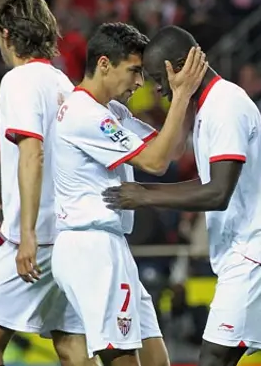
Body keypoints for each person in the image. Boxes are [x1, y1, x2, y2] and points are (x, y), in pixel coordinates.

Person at [102, 25, 261, 366]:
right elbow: (209, 181)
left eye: (160, 77)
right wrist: (146, 190)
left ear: (183, 64)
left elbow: (217, 193)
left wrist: (145, 197)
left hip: (255, 255)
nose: (158, 88)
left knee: (213, 358)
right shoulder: (212, 106)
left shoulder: (224, 106)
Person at [52, 22, 208, 366]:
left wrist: (186, 93)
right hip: (90, 248)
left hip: (111, 246)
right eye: (134, 71)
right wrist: (181, 96)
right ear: (104, 64)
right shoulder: (85, 114)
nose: (140, 82)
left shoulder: (111, 111)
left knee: (155, 358)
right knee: (122, 359)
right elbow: (153, 162)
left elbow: (170, 149)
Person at [0, 0, 86, 365]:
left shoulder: (18, 80)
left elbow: (32, 152)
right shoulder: (63, 81)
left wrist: (28, 234)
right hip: (69, 233)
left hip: (36, 236)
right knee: (72, 347)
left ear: (5, 34)